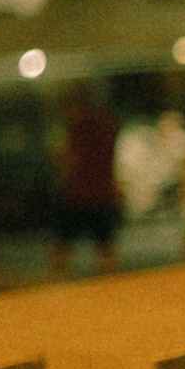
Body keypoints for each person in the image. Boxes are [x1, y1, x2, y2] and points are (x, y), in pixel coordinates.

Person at [51, 84, 123, 277]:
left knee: (63, 244)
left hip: (78, 194)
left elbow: (69, 161)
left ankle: (57, 288)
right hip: (104, 193)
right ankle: (111, 287)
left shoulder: (78, 130)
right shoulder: (106, 126)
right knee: (105, 246)